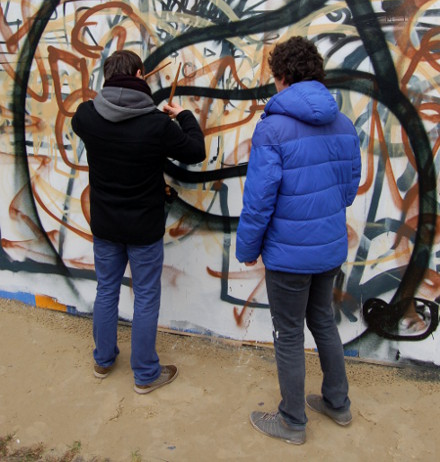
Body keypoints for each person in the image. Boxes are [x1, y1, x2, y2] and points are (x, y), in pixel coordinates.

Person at [235, 36, 361, 445]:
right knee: (322, 320)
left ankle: (292, 421)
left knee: (288, 332)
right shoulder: (344, 124)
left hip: (288, 255)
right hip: (328, 247)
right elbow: (348, 189)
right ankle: (337, 403)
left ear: (283, 77)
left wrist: (247, 248)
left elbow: (259, 200)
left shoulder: (272, 129)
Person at [72, 49, 206, 394]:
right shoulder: (157, 125)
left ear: (108, 77)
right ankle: (145, 374)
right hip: (143, 228)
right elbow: (195, 151)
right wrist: (183, 115)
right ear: (139, 75)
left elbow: (90, 116)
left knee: (106, 289)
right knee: (145, 296)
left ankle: (103, 359)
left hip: (105, 225)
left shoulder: (86, 115)